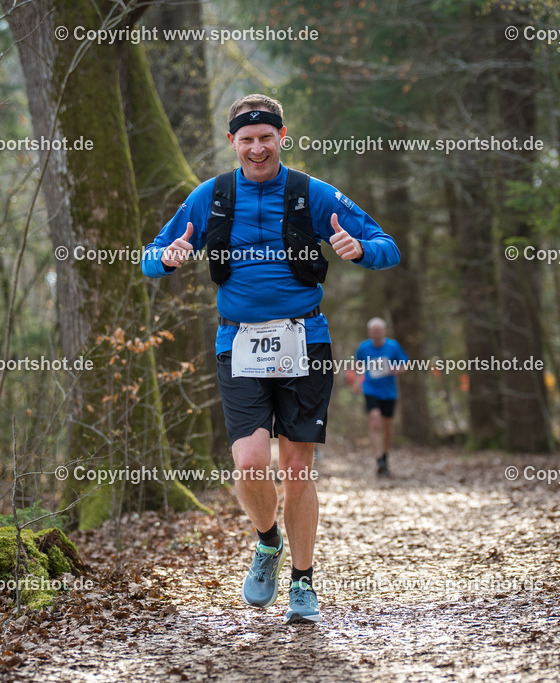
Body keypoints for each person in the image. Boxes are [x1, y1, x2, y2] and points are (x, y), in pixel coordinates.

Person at [141, 94, 400, 624]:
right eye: (246, 139)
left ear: (283, 136)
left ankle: (303, 583)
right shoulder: (209, 197)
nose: (256, 148)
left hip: (305, 340)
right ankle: (267, 542)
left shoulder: (314, 194)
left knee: (298, 469)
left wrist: (361, 250)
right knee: (250, 462)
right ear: (232, 142)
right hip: (237, 344)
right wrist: (166, 260)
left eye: (266, 137)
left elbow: (387, 244)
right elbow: (150, 257)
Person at [355, 318, 409, 476]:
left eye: (379, 331)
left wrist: (397, 369)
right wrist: (358, 382)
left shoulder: (393, 346)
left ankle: (385, 456)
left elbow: (405, 364)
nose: (377, 334)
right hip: (371, 389)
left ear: (384, 331)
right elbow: (358, 365)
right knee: (374, 421)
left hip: (389, 392)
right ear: (369, 332)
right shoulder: (363, 348)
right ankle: (378, 459)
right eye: (374, 331)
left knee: (387, 427)